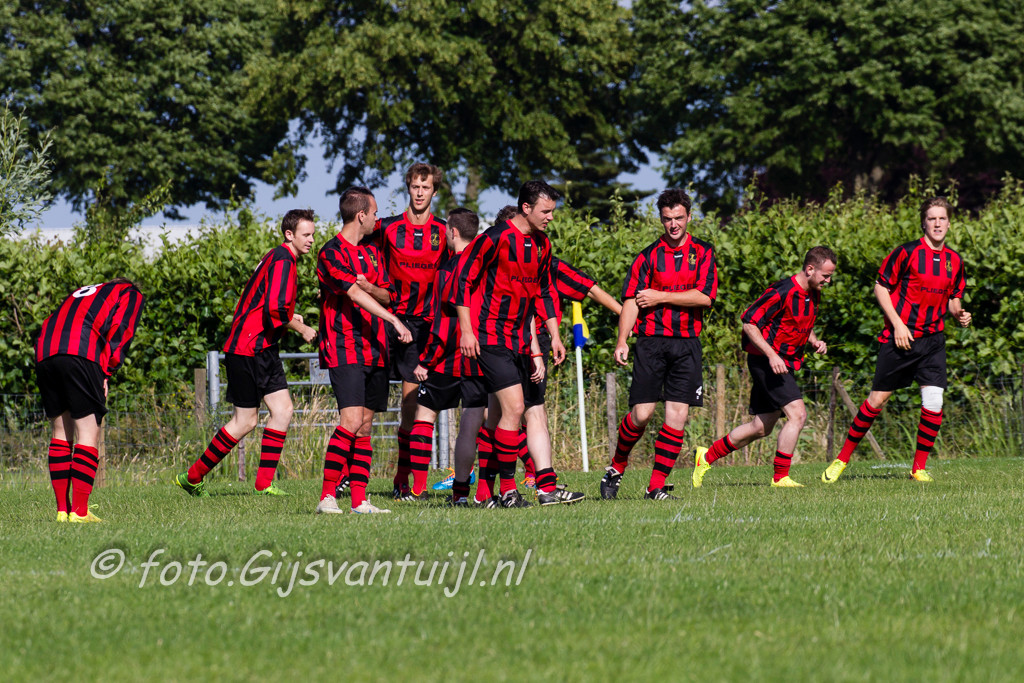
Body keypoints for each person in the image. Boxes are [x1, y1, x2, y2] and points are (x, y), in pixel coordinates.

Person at [821, 197, 970, 483]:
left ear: (949, 223)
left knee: (934, 401)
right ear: (923, 223)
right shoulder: (907, 252)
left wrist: (959, 313)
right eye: (932, 218)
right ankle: (841, 459)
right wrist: (899, 325)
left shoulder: (954, 261)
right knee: (876, 401)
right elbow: (881, 287)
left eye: (942, 218)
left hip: (933, 341)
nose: (937, 224)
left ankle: (918, 469)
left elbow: (954, 298)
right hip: (900, 338)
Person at [455, 180, 585, 507]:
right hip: (490, 336)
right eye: (546, 211)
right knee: (515, 409)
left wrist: (554, 336)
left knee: (502, 416)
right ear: (526, 208)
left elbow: (544, 292)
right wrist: (467, 330)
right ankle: (509, 491)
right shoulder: (494, 238)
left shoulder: (542, 244)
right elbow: (462, 280)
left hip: (521, 340)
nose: (551, 217)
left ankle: (494, 492)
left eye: (552, 211)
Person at [175, 210, 318, 498]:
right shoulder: (284, 260)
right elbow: (275, 310)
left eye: (313, 234)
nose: (311, 240)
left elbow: (266, 303)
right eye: (306, 235)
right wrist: (302, 329)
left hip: (254, 347)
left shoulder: (277, 256)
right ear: (289, 234)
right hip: (252, 348)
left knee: (275, 413)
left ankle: (255, 483)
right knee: (253, 419)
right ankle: (197, 476)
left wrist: (291, 316)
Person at [601, 188, 718, 500]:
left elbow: (705, 297)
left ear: (689, 217)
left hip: (687, 344)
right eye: (667, 219)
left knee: (677, 416)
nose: (673, 224)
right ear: (661, 220)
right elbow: (631, 300)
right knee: (641, 415)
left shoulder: (703, 252)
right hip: (651, 342)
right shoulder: (648, 256)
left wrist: (660, 296)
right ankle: (616, 466)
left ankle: (655, 487)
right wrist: (622, 339)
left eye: (679, 218)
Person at [693, 247, 837, 488]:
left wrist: (814, 341)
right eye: (826, 275)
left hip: (783, 363)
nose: (828, 281)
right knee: (798, 414)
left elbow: (800, 321)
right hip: (767, 362)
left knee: (761, 427)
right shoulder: (782, 291)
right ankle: (780, 477)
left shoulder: (813, 292)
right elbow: (749, 322)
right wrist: (772, 355)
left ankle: (706, 457)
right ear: (810, 269)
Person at [316, 187, 412, 514]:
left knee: (366, 426)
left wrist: (372, 288)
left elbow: (388, 294)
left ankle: (359, 500)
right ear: (361, 215)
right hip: (345, 347)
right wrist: (394, 320)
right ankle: (327, 497)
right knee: (351, 420)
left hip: (376, 348)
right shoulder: (330, 253)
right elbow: (353, 294)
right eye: (374, 213)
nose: (376, 218)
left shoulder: (372, 253)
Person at [35, 279, 144, 522]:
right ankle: (80, 512)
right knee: (87, 432)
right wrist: (107, 371)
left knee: (60, 432)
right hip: (80, 350)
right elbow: (122, 329)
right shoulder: (129, 292)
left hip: (45, 351)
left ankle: (62, 511)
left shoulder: (81, 292)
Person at [375, 163, 449, 501]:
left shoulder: (444, 231)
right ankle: (354, 476)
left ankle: (405, 479)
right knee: (371, 405)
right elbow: (353, 244)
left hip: (427, 326)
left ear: (435, 191)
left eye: (426, 187)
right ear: (408, 187)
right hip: (393, 321)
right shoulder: (387, 228)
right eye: (415, 186)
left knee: (415, 405)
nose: (420, 193)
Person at [409, 208, 486, 505]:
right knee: (484, 422)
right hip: (482, 356)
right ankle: (485, 491)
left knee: (425, 415)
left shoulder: (447, 270)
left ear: (452, 232)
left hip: (448, 360)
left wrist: (426, 361)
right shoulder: (486, 265)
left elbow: (443, 323)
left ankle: (417, 489)